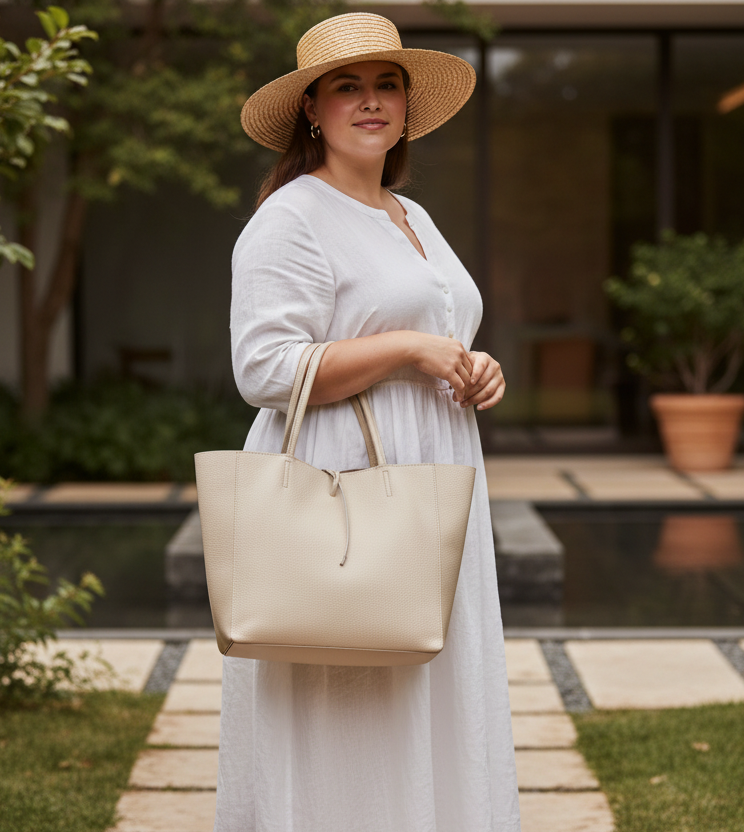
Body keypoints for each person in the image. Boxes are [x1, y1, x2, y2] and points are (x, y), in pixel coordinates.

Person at [218, 12, 521, 832]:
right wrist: (408, 349)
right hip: (343, 483)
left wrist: (468, 363)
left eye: (387, 83)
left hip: (431, 473)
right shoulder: (291, 217)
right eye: (347, 86)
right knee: (346, 689)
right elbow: (265, 369)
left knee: (428, 682)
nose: (371, 101)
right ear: (311, 109)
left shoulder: (412, 216)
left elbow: (438, 329)